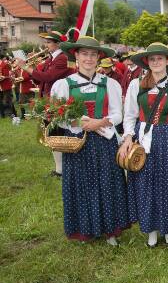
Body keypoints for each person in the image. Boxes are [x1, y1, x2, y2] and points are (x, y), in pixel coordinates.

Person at [51, 36, 133, 245]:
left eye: (93, 54)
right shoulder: (63, 84)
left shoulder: (110, 83)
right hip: (76, 142)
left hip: (104, 141)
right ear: (76, 56)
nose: (88, 58)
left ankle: (110, 230)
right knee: (81, 184)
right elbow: (57, 115)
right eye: (84, 54)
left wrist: (98, 123)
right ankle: (85, 229)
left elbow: (118, 114)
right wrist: (78, 122)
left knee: (108, 183)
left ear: (99, 57)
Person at [118, 42, 168, 248]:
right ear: (147, 62)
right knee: (145, 183)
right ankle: (151, 229)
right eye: (152, 59)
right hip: (143, 141)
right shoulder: (136, 85)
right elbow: (130, 116)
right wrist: (128, 138)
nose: (156, 62)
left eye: (160, 58)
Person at [15, 31, 73, 177]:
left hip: (58, 102)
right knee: (52, 135)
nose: (45, 45)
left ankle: (62, 170)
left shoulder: (62, 58)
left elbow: (48, 77)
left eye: (48, 42)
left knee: (57, 135)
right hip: (49, 101)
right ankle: (59, 169)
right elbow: (41, 79)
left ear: (57, 43)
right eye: (45, 42)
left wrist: (26, 67)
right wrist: (31, 70)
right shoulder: (50, 59)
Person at [0, 53, 14, 118]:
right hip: (1, 86)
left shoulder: (4, 65)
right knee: (2, 100)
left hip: (5, 85)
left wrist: (2, 77)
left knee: (7, 100)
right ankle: (3, 113)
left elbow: (7, 76)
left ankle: (10, 113)